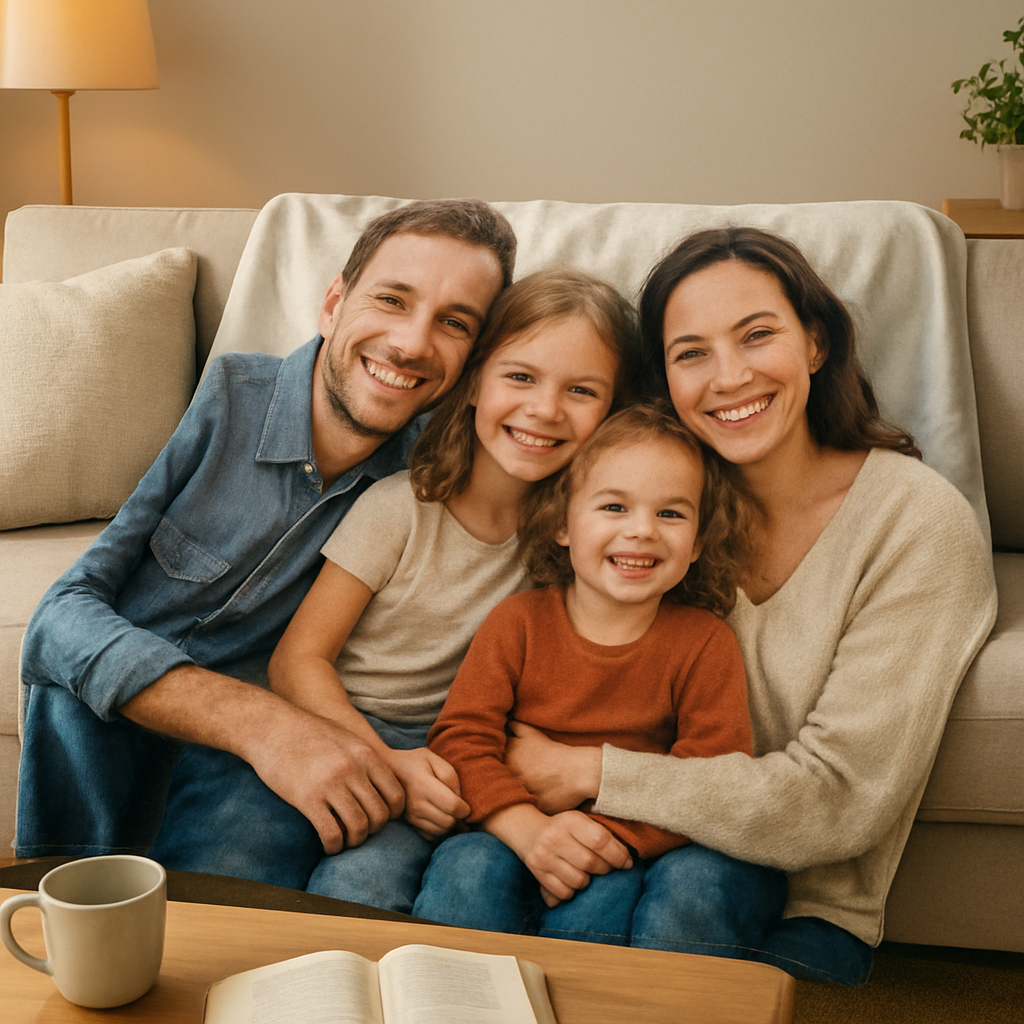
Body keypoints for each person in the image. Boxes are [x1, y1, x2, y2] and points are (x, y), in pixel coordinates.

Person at [501, 227, 998, 985]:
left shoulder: (914, 523)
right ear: (663, 379)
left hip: (798, 906)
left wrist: (591, 771)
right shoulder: (652, 505)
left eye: (757, 335)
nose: (728, 376)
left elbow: (837, 801)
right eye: (691, 352)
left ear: (817, 344)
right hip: (595, 853)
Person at [16, 199, 516, 890]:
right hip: (120, 736)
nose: (410, 343)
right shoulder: (230, 398)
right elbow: (60, 618)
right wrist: (266, 727)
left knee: (240, 917)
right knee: (72, 685)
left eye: (454, 323)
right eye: (391, 300)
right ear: (334, 303)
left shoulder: (439, 475)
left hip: (250, 774)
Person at [267, 268, 640, 911]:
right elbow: (297, 660)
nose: (545, 410)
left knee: (373, 886)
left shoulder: (581, 541)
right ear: (473, 384)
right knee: (274, 873)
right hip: (345, 728)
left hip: (464, 756)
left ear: (612, 412)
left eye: (581, 390)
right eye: (520, 377)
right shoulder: (400, 509)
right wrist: (385, 760)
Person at [412, 403, 786, 947]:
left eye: (672, 514)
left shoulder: (705, 642)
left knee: (602, 903)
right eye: (614, 506)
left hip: (623, 843)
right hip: (509, 826)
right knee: (464, 872)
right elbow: (461, 740)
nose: (641, 532)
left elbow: (710, 780)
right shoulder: (516, 623)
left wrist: (600, 840)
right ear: (563, 524)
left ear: (700, 540)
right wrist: (528, 828)